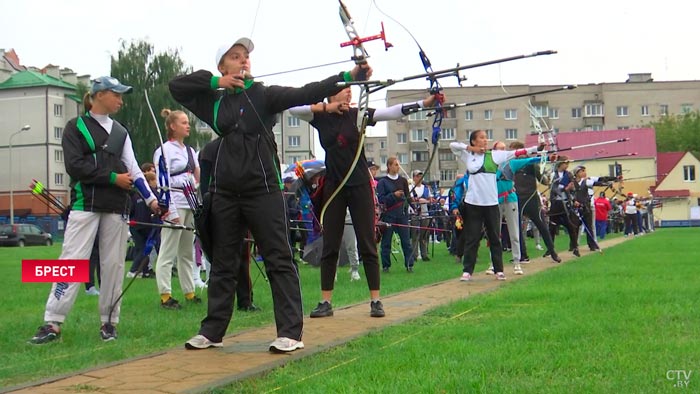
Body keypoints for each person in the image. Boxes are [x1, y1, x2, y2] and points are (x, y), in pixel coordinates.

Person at [170, 37, 369, 353]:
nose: (243, 61)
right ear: (223, 66)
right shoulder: (215, 101)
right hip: (224, 193)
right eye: (235, 57)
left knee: (278, 258)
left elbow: (305, 92)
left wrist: (346, 77)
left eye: (246, 57)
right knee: (223, 262)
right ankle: (212, 331)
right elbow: (177, 86)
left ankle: (290, 332)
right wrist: (215, 81)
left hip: (263, 191)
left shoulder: (262, 94)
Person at [29, 76, 159, 344]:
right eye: (117, 95)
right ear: (100, 95)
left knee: (112, 266)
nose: (121, 101)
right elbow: (75, 166)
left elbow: (133, 170)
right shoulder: (74, 127)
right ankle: (52, 322)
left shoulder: (121, 132)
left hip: (116, 207)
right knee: (71, 261)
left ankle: (109, 323)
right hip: (84, 205)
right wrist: (113, 178)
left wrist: (152, 201)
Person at [289, 88, 439, 319]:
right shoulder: (320, 115)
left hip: (359, 186)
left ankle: (376, 300)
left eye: (351, 91)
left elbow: (390, 112)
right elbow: (292, 107)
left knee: (368, 243)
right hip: (335, 187)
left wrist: (424, 103)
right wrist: (326, 107)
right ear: (331, 94)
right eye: (344, 91)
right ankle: (325, 302)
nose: (349, 95)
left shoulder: (358, 115)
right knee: (330, 245)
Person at [450, 130, 541, 282]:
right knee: (472, 238)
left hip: (491, 203)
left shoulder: (494, 155)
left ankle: (499, 270)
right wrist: (471, 149)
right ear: (474, 141)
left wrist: (535, 149)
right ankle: (467, 271)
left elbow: (516, 153)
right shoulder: (468, 155)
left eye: (486, 138)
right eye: (481, 138)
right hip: (473, 203)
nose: (485, 140)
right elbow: (452, 145)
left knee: (494, 237)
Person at [153, 109, 201, 310]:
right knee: (168, 252)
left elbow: (196, 174)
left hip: (190, 203)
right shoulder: (163, 151)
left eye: (187, 122)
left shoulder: (190, 151)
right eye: (183, 122)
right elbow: (162, 182)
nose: (187, 125)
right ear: (172, 126)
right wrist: (169, 210)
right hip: (174, 203)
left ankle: (189, 291)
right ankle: (165, 295)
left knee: (186, 251)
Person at [510, 141, 561, 264]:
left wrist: (547, 175)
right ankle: (523, 255)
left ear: (519, 150)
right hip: (517, 199)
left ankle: (552, 251)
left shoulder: (531, 163)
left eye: (512, 150)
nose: (511, 152)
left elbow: (544, 181)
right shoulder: (511, 164)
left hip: (531, 199)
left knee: (542, 226)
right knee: (516, 228)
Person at [376, 157, 414, 273]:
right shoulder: (383, 182)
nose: (398, 167)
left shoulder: (402, 181)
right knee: (386, 241)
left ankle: (409, 264)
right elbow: (381, 199)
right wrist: (394, 195)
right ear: (389, 166)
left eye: (398, 164)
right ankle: (386, 266)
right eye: (396, 164)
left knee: (406, 241)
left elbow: (407, 196)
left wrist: (413, 206)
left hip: (402, 215)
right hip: (389, 215)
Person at [571, 165, 618, 251]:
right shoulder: (572, 183)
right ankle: (574, 245)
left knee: (590, 226)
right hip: (575, 207)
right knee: (575, 227)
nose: (584, 173)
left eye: (584, 171)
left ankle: (592, 245)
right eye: (582, 171)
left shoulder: (587, 180)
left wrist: (610, 181)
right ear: (576, 173)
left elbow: (598, 182)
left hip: (587, 206)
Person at [409, 169, 432, 262]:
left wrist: (425, 201)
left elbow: (430, 200)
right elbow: (410, 200)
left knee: (424, 235)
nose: (419, 178)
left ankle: (424, 254)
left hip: (425, 213)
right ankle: (414, 255)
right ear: (414, 177)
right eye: (417, 176)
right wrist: (417, 200)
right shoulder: (410, 187)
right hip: (414, 213)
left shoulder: (426, 188)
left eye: (420, 176)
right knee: (415, 234)